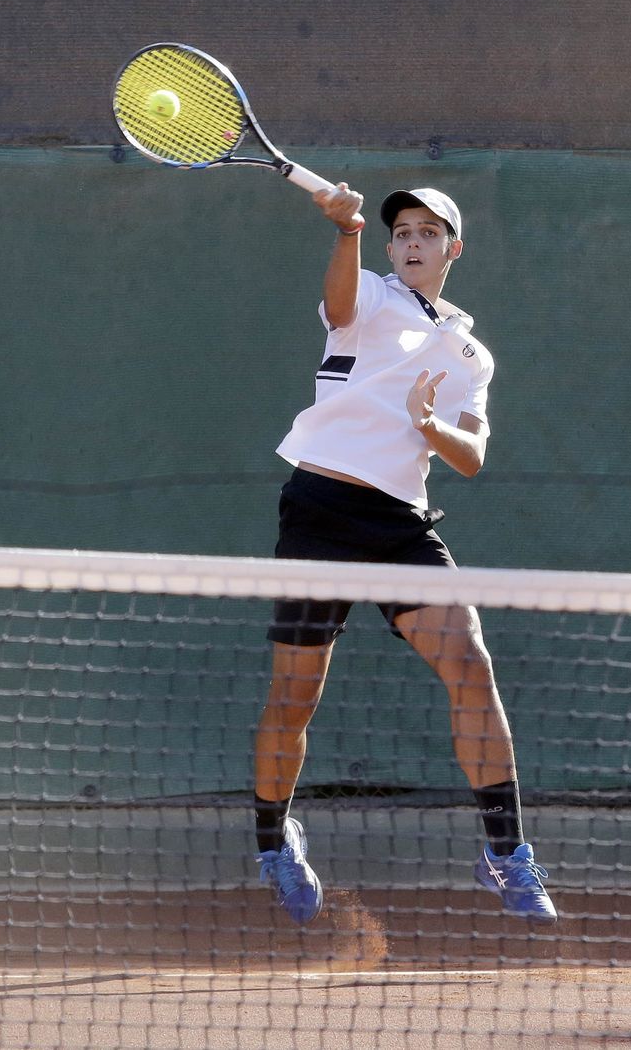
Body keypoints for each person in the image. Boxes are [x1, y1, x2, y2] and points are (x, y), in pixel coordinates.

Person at [251, 182, 557, 927]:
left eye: (428, 232)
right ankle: (272, 843)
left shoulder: (469, 352)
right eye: (402, 233)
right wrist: (348, 230)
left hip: (399, 524)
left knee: (470, 663)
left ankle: (506, 852)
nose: (412, 242)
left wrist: (429, 425)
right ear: (390, 247)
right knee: (295, 700)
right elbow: (342, 300)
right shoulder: (370, 299)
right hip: (320, 513)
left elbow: (473, 455)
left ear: (454, 248)